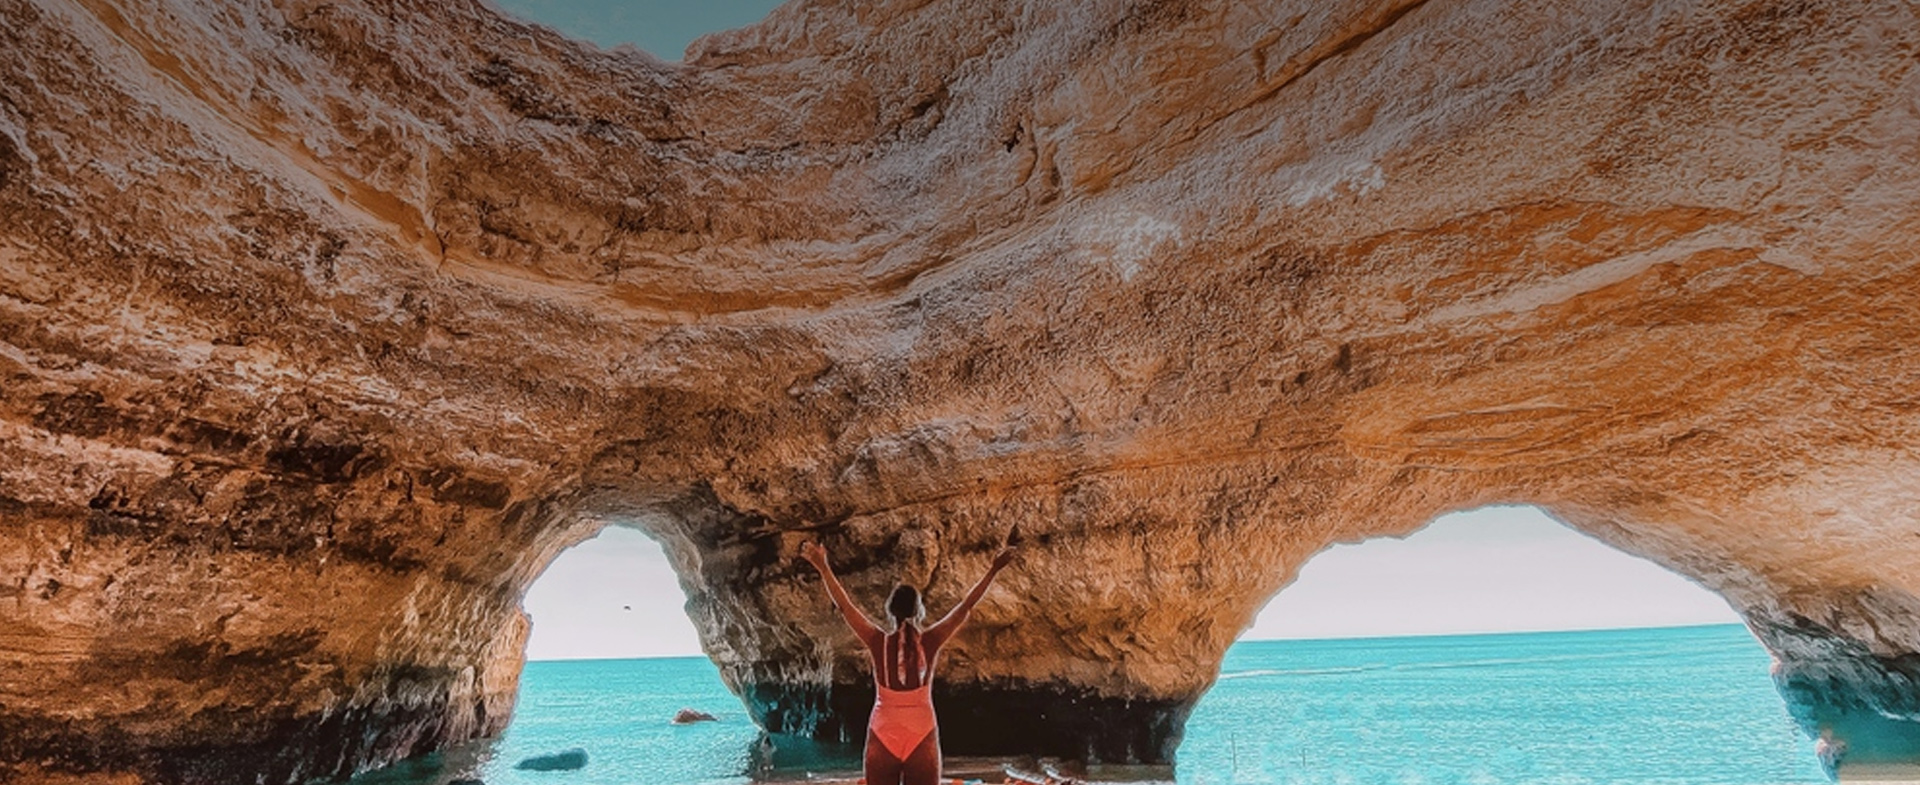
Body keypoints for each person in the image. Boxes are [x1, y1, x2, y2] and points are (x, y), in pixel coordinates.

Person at [800, 539, 1018, 785]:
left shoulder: (877, 640)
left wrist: (822, 566)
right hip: (921, 730)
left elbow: (844, 606)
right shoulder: (930, 640)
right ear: (919, 611)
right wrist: (994, 569)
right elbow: (966, 605)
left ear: (890, 610)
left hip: (884, 730)